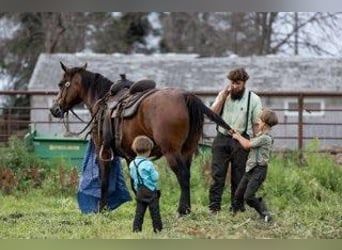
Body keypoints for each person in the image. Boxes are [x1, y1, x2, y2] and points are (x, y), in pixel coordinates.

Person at [209, 67, 263, 214]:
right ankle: (214, 207)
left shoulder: (254, 99)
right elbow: (212, 115)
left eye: (237, 83)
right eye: (232, 83)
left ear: (244, 83)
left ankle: (237, 207)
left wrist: (257, 144)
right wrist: (222, 98)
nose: (234, 86)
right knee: (217, 175)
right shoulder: (223, 95)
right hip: (222, 138)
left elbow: (256, 124)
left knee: (239, 176)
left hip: (241, 140)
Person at [231, 109, 278, 222]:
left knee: (248, 197)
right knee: (238, 194)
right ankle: (236, 214)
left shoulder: (265, 138)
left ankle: (265, 213)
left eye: (260, 121)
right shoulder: (259, 136)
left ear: (265, 124)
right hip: (250, 170)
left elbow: (247, 145)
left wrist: (237, 137)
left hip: (259, 170)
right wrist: (237, 134)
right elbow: (248, 141)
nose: (258, 123)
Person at [129, 135, 162, 233]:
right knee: (155, 211)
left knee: (139, 212)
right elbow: (155, 178)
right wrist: (156, 170)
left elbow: (133, 177)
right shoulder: (148, 164)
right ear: (148, 151)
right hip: (150, 191)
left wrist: (136, 188)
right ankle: (157, 229)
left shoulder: (132, 164)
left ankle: (136, 229)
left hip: (139, 190)